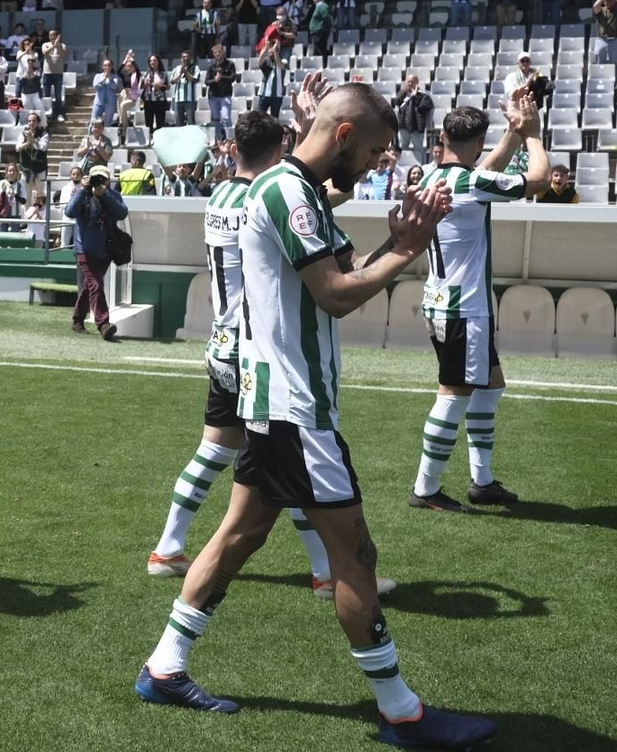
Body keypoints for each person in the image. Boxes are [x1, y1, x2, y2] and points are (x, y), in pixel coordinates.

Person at [133, 81, 497, 752]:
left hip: (278, 404)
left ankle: (164, 665)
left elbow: (337, 267)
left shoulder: (293, 188)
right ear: (344, 136)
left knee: (240, 535)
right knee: (354, 557)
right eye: (375, 151)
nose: (376, 164)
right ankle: (402, 712)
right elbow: (334, 294)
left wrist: (392, 242)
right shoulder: (286, 189)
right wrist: (409, 248)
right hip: (296, 410)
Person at [149, 108, 382, 603]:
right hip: (257, 347)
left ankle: (169, 546)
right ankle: (325, 572)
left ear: (234, 148)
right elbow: (314, 208)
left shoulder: (222, 195)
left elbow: (315, 195)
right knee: (285, 453)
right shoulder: (270, 195)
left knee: (225, 454)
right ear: (280, 149)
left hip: (221, 341)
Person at [410, 97, 548, 513]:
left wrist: (514, 129)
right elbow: (539, 179)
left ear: (442, 137)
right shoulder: (472, 184)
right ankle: (425, 488)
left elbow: (483, 169)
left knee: (491, 385)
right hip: (463, 309)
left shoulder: (433, 175)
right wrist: (533, 132)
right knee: (454, 394)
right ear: (479, 140)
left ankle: (482, 482)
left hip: (442, 302)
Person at [66, 164, 127, 339]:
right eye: (96, 177)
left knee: (89, 286)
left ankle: (77, 319)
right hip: (84, 249)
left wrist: (105, 194)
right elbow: (69, 212)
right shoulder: (82, 194)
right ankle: (103, 324)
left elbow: (122, 213)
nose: (99, 181)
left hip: (106, 250)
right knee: (96, 285)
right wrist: (83, 190)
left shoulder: (112, 195)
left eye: (102, 178)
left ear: (108, 181)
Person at [393, 74, 433, 153]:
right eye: (408, 81)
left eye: (412, 81)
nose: (410, 83)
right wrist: (404, 92)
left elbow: (424, 107)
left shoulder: (423, 95)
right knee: (402, 149)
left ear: (417, 82)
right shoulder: (402, 93)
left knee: (418, 149)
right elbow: (397, 102)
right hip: (403, 127)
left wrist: (415, 96)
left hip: (417, 127)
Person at [205, 44, 235, 141]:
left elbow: (232, 78)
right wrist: (215, 80)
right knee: (216, 119)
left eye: (219, 52)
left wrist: (222, 78)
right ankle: (219, 141)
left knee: (226, 118)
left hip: (225, 95)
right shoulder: (211, 66)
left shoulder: (230, 64)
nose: (218, 54)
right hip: (213, 96)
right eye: (215, 53)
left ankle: (230, 140)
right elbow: (207, 81)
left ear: (223, 52)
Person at [170, 51, 200, 128]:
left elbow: (195, 80)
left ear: (190, 58)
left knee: (191, 122)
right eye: (183, 57)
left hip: (190, 99)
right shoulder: (176, 68)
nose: (185, 58)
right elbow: (172, 81)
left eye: (187, 57)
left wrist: (186, 72)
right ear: (181, 59)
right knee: (179, 122)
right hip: (178, 99)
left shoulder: (195, 68)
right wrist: (180, 74)